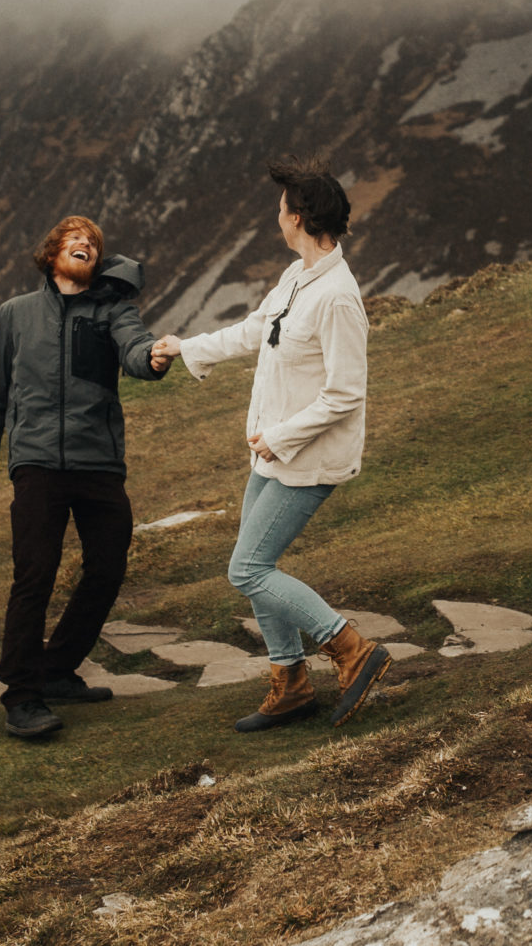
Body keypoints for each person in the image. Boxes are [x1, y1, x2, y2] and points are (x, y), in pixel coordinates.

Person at [149, 155, 385, 733]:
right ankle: (291, 685)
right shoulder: (297, 277)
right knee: (256, 563)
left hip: (304, 459)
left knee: (248, 569)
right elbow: (259, 330)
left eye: (281, 210)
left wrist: (279, 439)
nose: (276, 218)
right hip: (272, 453)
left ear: (300, 217)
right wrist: (189, 347)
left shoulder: (337, 296)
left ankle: (350, 647)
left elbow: (345, 393)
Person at [0, 215, 170, 740]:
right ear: (51, 252)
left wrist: (153, 357)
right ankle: (22, 695)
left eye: (94, 243)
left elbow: (135, 349)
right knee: (34, 577)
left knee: (107, 567)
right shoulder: (15, 315)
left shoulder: (112, 311)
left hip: (98, 461)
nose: (85, 245)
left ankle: (57, 669)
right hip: (36, 464)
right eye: (74, 239)